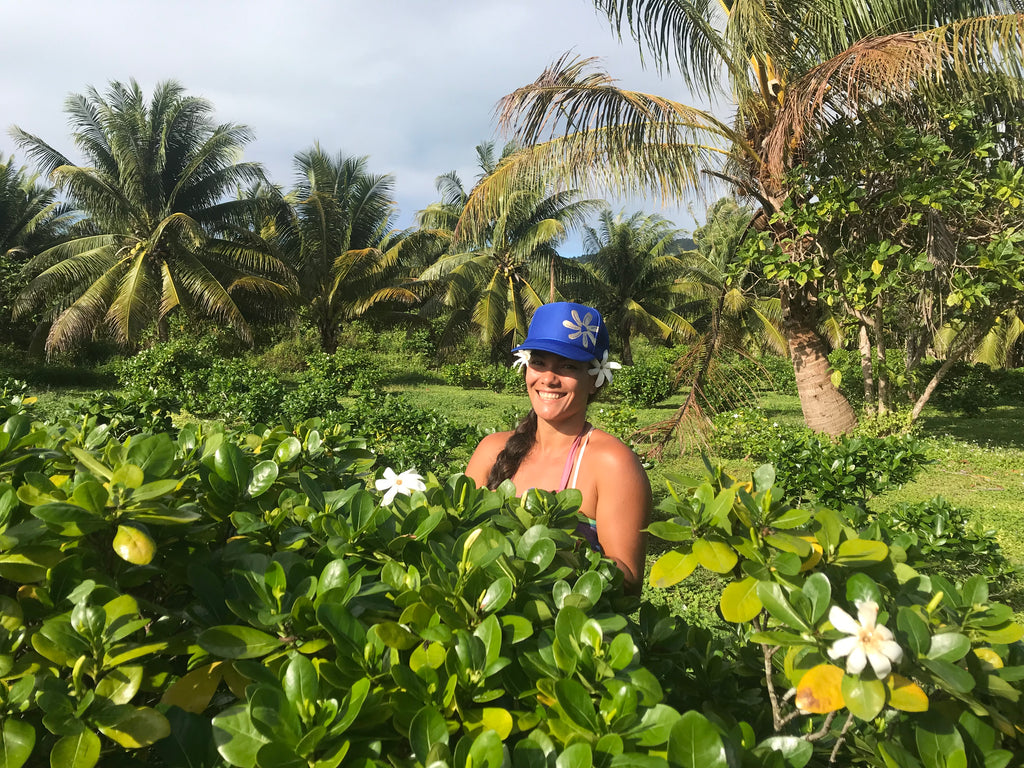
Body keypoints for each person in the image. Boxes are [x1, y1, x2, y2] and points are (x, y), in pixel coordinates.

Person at [466, 302, 651, 594]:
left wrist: (559, 553)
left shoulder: (612, 463)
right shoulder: (491, 450)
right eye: (539, 362)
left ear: (594, 380)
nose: (549, 378)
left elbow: (628, 581)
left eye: (568, 366)